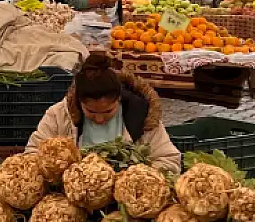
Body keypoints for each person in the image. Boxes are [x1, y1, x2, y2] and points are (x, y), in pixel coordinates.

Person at [27, 54, 182, 171]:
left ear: (119, 99)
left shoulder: (143, 115)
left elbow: (169, 159)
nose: (99, 119)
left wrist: (138, 177)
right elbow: (32, 154)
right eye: (91, 111)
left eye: (108, 111)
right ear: (79, 102)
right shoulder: (59, 115)